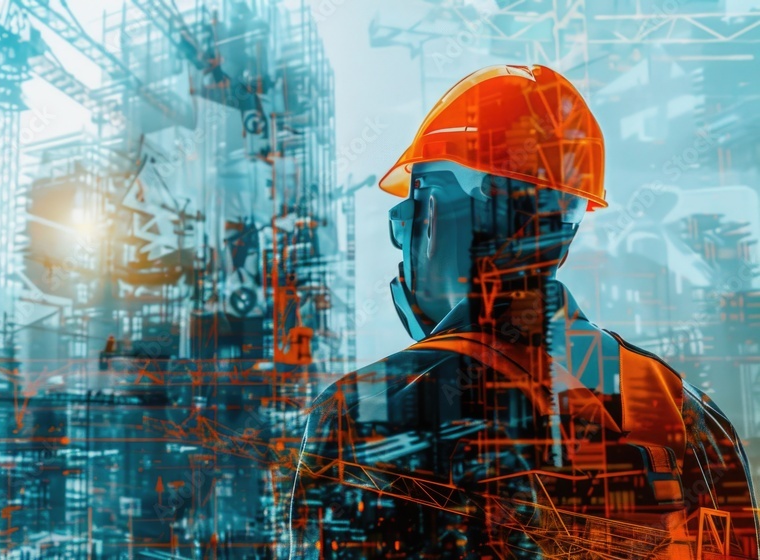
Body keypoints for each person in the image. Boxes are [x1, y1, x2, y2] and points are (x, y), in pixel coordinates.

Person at [287, 65, 760, 559]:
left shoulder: (366, 410)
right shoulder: (685, 412)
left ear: (438, 218)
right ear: (567, 230)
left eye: (411, 211)